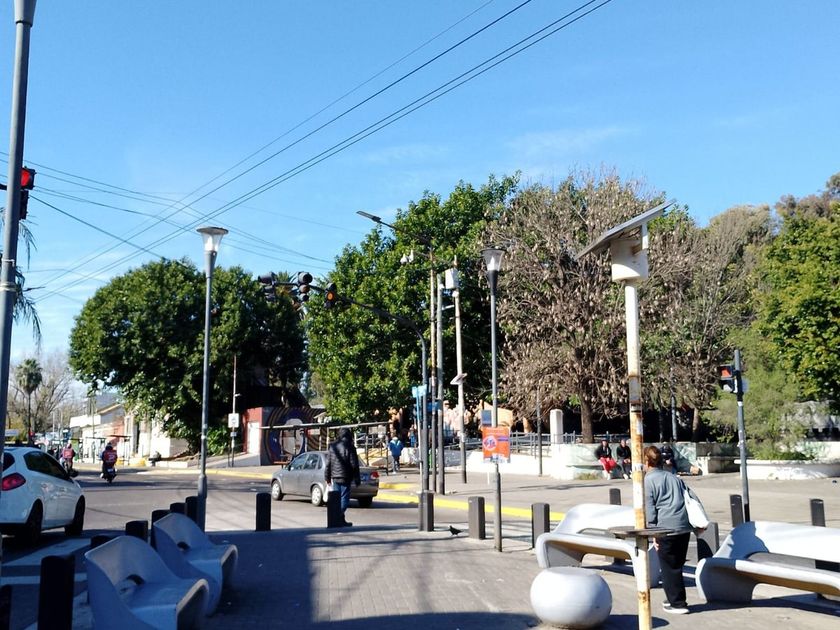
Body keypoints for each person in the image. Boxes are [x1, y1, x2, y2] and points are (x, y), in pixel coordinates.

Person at [644, 445, 692, 615]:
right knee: (677, 565)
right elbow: (689, 497)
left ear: (646, 462)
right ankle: (675, 598)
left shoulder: (648, 481)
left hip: (666, 527)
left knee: (668, 567)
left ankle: (677, 603)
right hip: (683, 526)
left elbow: (650, 510)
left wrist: (653, 533)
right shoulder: (673, 477)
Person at [324, 427, 360, 527]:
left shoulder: (333, 446)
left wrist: (327, 477)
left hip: (335, 477)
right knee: (344, 499)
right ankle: (337, 516)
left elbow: (328, 463)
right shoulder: (350, 446)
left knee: (337, 499)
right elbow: (354, 464)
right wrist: (357, 478)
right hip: (346, 476)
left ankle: (340, 519)